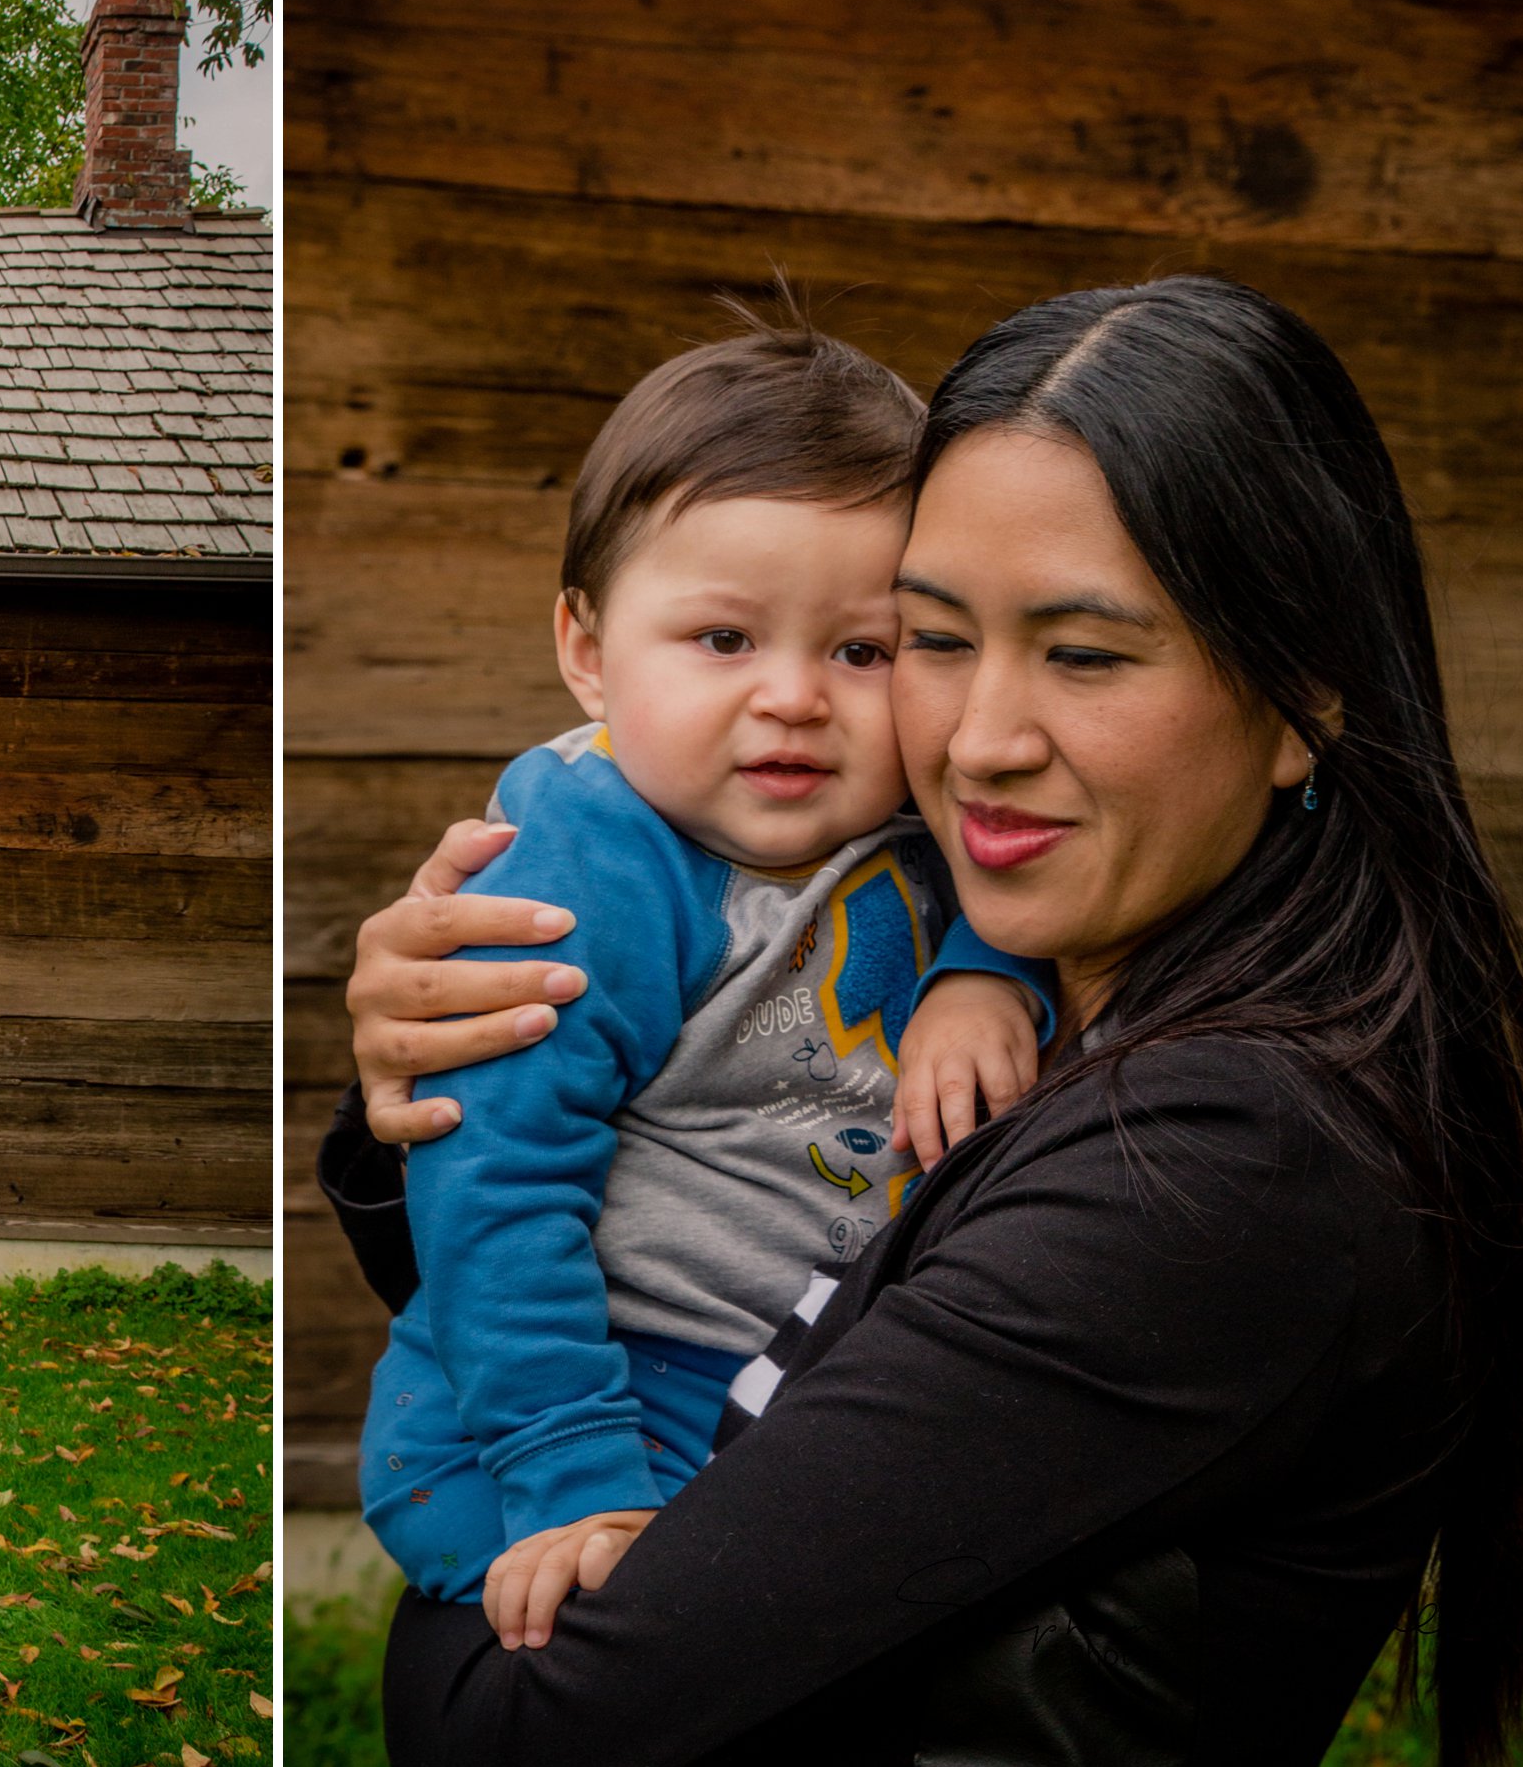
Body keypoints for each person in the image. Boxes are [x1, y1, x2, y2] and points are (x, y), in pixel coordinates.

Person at [322, 276, 1523, 1767]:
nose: (975, 736)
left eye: (1081, 654)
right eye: (934, 639)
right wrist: (437, 1067)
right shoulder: (1068, 973)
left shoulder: (1219, 1169)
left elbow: (522, 1749)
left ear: (1300, 696)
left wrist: (435, 1648)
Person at [361, 320, 1054, 1617]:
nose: (793, 695)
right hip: (582, 1390)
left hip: (786, 1373)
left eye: (861, 650)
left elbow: (1007, 896)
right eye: (724, 639)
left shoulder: (913, 829)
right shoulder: (589, 860)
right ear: (585, 649)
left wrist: (982, 973)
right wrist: (575, 1479)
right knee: (643, 1716)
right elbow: (494, 1181)